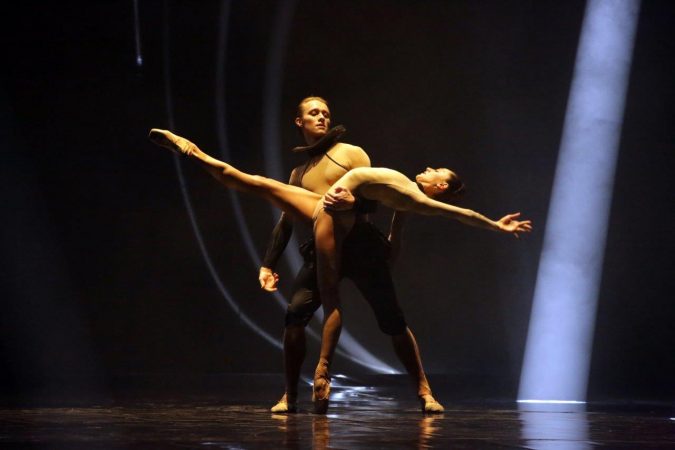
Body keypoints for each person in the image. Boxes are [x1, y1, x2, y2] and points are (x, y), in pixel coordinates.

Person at [147, 123, 533, 413]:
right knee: (256, 183)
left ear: (440, 189)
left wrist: (496, 225)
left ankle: (334, 375)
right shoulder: (405, 193)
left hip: (335, 220)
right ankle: (189, 150)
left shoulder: (419, 201)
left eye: (438, 174)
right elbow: (385, 218)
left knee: (339, 301)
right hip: (327, 207)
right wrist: (345, 196)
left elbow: (459, 214)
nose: (430, 169)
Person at [257, 97, 446, 415]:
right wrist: (267, 264)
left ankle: (425, 391)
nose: (321, 117)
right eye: (313, 113)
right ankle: (290, 395)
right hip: (322, 251)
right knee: (294, 317)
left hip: (361, 246)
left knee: (392, 320)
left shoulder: (351, 153)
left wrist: (353, 205)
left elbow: (379, 194)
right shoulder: (298, 173)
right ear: (299, 122)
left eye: (326, 113)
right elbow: (285, 223)